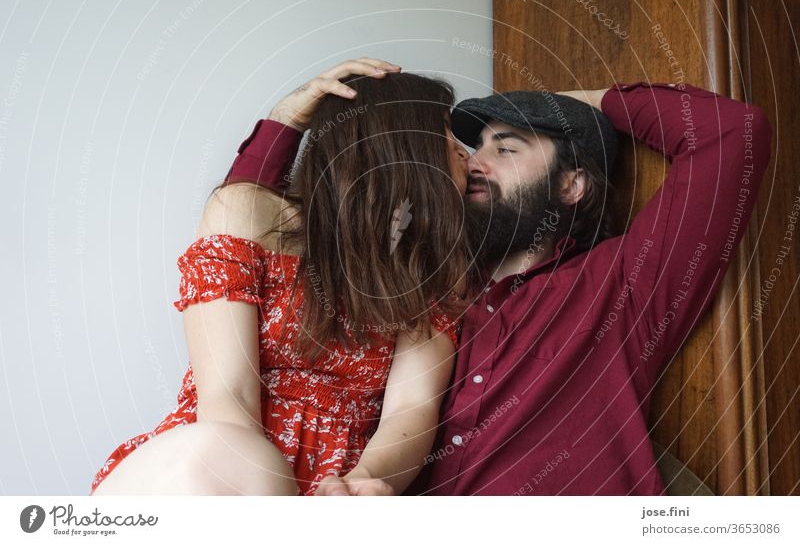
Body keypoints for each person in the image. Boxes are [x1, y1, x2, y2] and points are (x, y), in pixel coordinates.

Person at [229, 72, 772, 495]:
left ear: (571, 183)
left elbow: (733, 133)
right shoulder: (418, 286)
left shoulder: (625, 281)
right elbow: (239, 251)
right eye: (472, 148)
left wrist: (564, 101)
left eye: (505, 148)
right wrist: (286, 122)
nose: (473, 163)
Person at [89, 59, 477, 496]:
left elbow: (411, 408)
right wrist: (286, 119)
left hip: (340, 484)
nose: (465, 152)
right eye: (445, 131)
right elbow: (228, 395)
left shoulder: (437, 268)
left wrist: (363, 482)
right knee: (226, 450)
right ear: (401, 144)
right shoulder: (246, 212)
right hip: (220, 468)